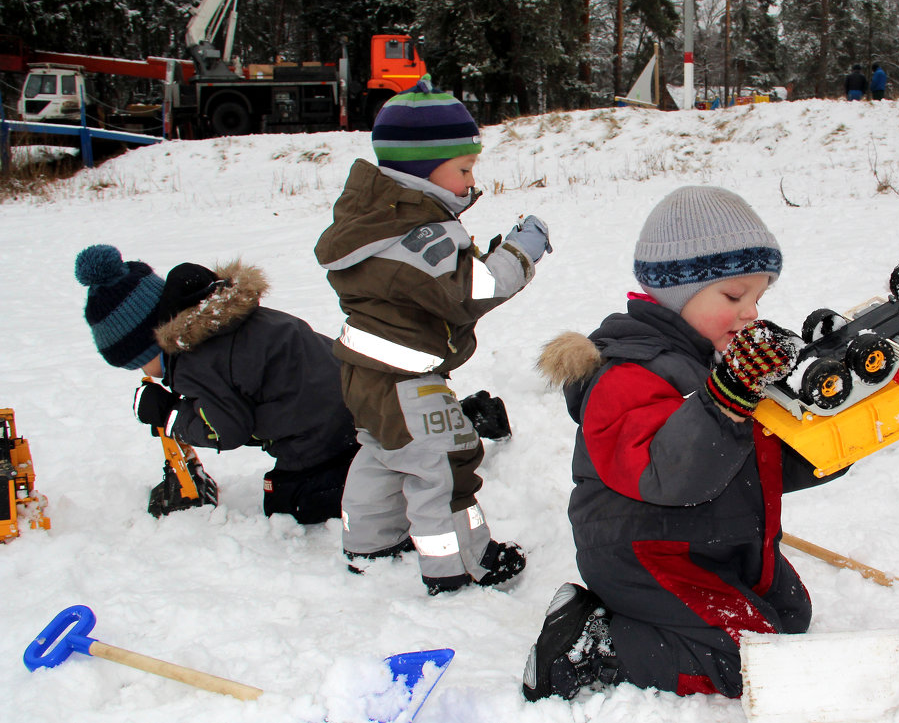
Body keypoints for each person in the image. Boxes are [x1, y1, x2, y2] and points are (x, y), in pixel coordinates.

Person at [522, 186, 850, 702]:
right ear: (678, 293)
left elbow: (757, 458)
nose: (750, 313)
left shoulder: (718, 362)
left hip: (715, 539)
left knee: (790, 616)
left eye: (759, 298)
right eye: (734, 297)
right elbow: (672, 475)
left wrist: (834, 417)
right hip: (646, 549)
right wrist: (725, 402)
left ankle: (661, 621)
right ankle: (586, 645)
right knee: (745, 660)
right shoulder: (626, 374)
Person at [315, 76, 550, 595]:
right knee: (445, 466)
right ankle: (461, 565)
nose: (471, 181)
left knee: (384, 452)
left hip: (366, 376)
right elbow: (470, 291)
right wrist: (520, 252)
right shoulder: (424, 233)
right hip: (408, 381)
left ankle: (370, 544)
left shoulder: (373, 218)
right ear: (424, 169)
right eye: (464, 169)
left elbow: (425, 286)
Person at [74, 244, 359, 524]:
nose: (143, 371)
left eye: (138, 363)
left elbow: (228, 430)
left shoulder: (194, 361)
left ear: (150, 345)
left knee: (288, 506)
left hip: (323, 431)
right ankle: (359, 461)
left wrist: (168, 414)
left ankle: (354, 480)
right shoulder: (217, 319)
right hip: (355, 398)